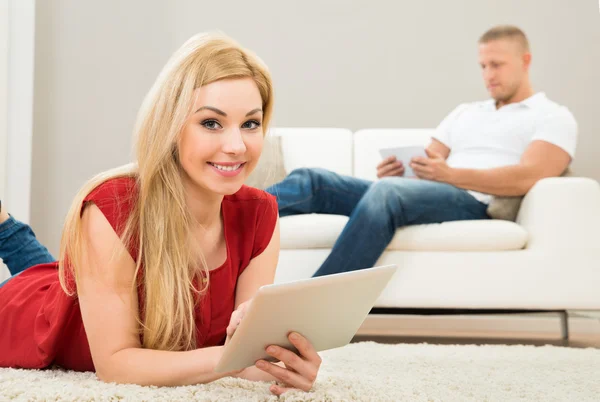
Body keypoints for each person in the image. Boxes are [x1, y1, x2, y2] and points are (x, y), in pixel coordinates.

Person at [0, 32, 321, 395]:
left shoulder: (260, 214)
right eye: (211, 123)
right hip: (29, 316)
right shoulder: (111, 208)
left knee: (61, 278)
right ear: (172, 126)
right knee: (47, 292)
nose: (236, 146)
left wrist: (286, 365)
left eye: (250, 123)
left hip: (75, 289)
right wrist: (238, 358)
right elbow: (116, 363)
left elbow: (244, 354)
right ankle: (6, 230)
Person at [265, 25, 577, 277]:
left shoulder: (552, 116)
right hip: (426, 193)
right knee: (313, 180)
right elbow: (429, 159)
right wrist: (402, 170)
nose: (488, 75)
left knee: (387, 193)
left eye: (497, 65)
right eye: (483, 65)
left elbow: (527, 177)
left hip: (474, 203)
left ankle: (316, 304)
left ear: (525, 61)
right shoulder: (467, 111)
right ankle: (223, 212)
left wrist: (451, 175)